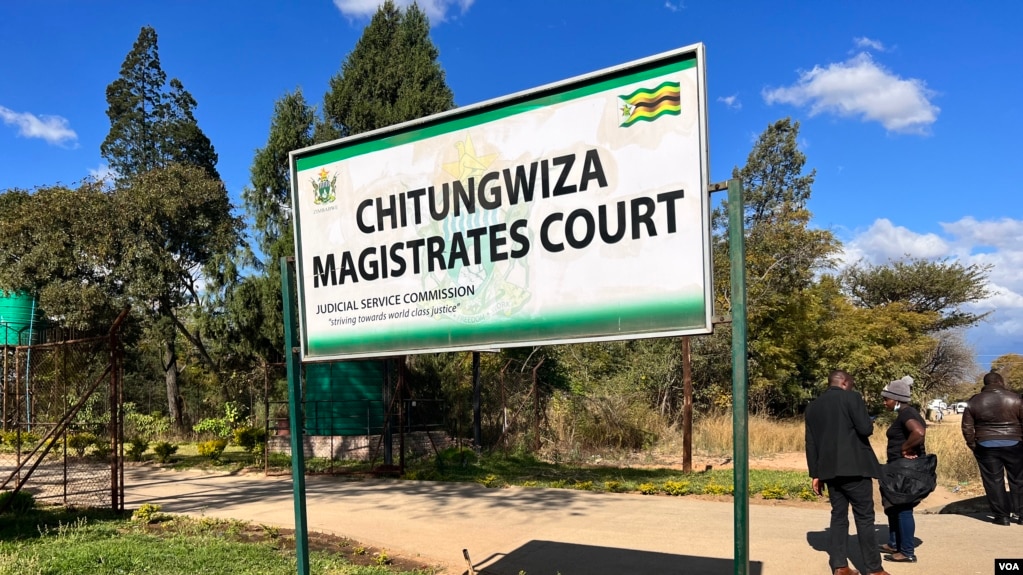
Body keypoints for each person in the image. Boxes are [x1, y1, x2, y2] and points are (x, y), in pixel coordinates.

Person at [805, 370, 890, 575]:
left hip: (829, 471)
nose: (851, 387)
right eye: (850, 383)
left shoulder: (813, 407)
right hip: (856, 468)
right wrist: (869, 422)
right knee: (864, 517)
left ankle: (840, 566)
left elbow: (810, 442)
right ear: (844, 382)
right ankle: (874, 569)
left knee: (838, 516)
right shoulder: (852, 397)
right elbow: (864, 429)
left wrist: (815, 474)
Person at [961, 370, 1023, 525]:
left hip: (985, 444)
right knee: (1019, 479)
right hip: (1015, 443)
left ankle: (1002, 517)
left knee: (993, 481)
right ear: (1001, 382)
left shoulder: (974, 401)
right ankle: (1022, 514)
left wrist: (974, 445)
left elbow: (967, 427)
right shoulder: (1016, 398)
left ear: (985, 384)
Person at [878, 376, 926, 563]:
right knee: (894, 507)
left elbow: (919, 433)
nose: (884, 403)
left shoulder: (907, 413)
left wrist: (905, 448)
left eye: (886, 399)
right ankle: (894, 543)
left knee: (903, 508)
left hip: (906, 470)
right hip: (900, 468)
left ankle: (907, 551)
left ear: (897, 399)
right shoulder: (905, 413)